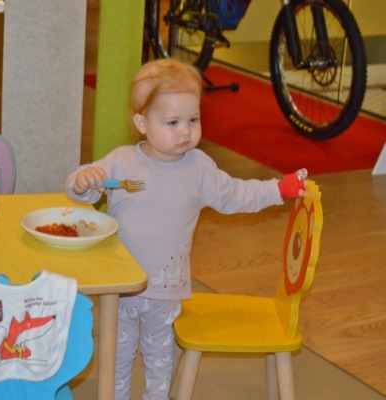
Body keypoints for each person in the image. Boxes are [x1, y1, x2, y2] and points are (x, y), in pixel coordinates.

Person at [65, 58, 307, 400]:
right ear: (142, 123)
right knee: (115, 360)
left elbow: (235, 194)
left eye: (193, 120)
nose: (185, 131)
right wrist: (82, 182)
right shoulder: (121, 161)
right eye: (173, 122)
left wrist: (277, 189)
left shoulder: (199, 168)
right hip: (120, 288)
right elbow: (82, 191)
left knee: (160, 361)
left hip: (166, 290)